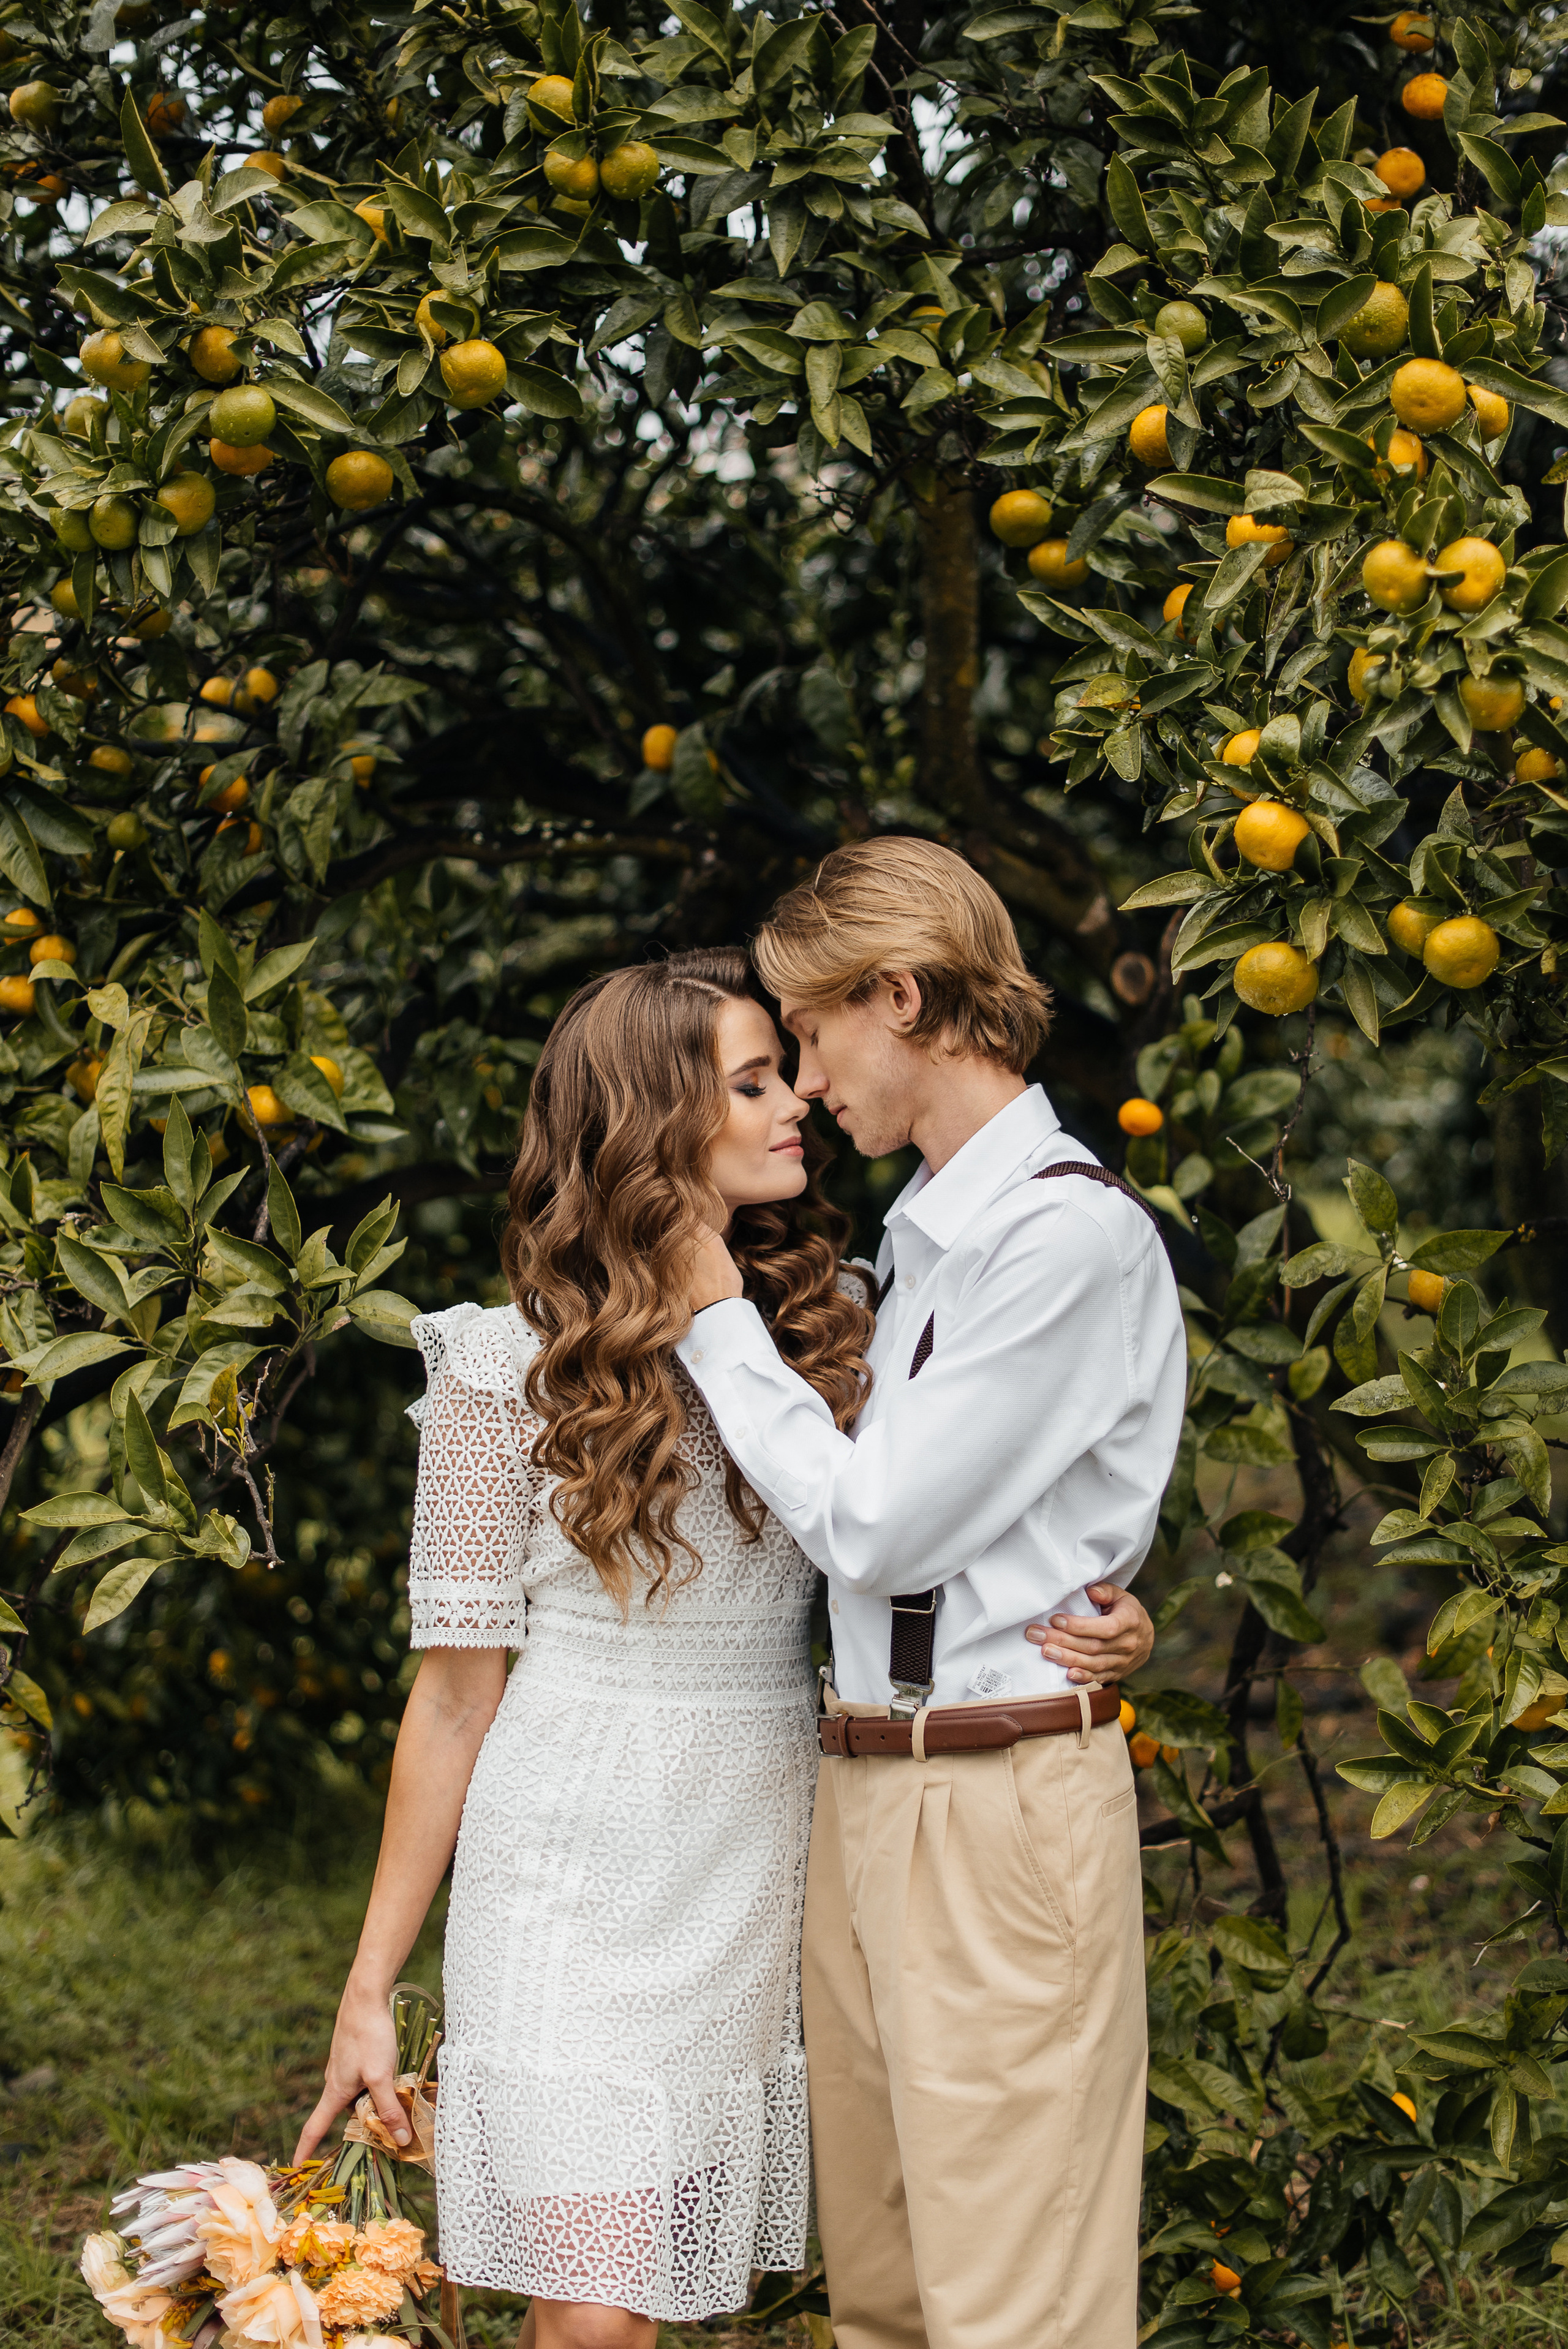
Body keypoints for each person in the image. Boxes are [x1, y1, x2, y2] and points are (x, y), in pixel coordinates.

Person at [295, 945, 1153, 2349]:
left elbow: (955, 1520)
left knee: (631, 2300)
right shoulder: (493, 1371)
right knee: (596, 2314)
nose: (793, 1104)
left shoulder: (836, 1333)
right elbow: (452, 1700)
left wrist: (1113, 1605)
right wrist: (369, 1986)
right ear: (650, 1125)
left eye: (784, 1070)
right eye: (750, 1083)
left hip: (760, 1842)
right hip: (569, 1845)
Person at [682, 840, 1188, 2349]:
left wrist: (716, 1323)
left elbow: (882, 1527)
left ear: (899, 996)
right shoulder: (921, 1243)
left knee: (1010, 2304)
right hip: (869, 1788)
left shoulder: (1060, 1237)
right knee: (891, 2297)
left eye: (815, 1036)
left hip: (993, 1793)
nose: (809, 1081)